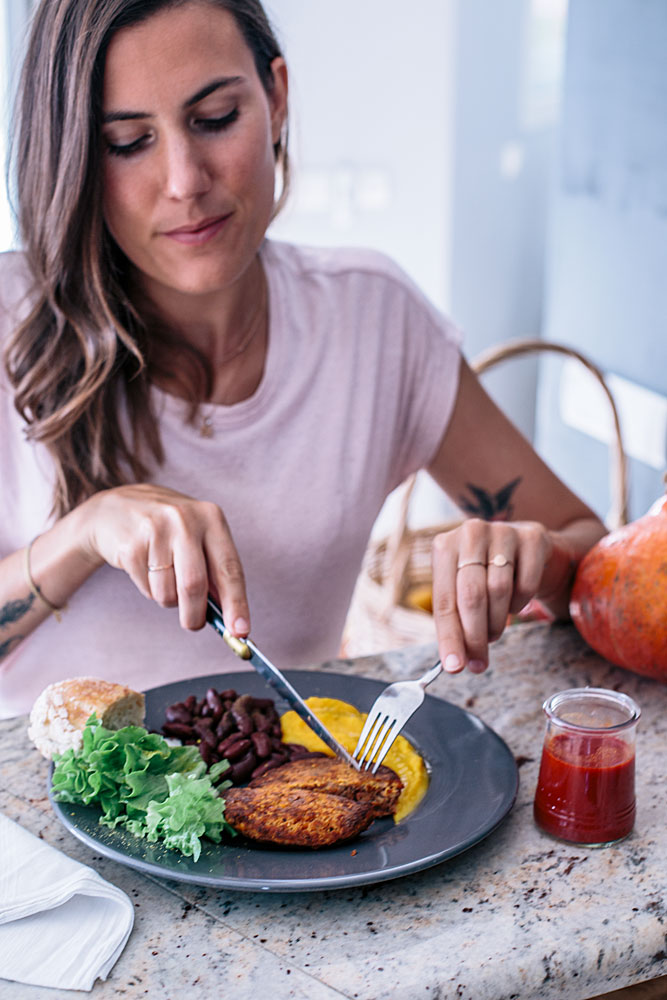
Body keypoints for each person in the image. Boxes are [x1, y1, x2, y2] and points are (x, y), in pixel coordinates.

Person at [0, 0, 606, 720]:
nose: (184, 180)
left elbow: (593, 555)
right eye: (128, 142)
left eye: (216, 118)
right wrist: (80, 535)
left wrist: (529, 558)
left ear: (276, 97)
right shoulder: (11, 318)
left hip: (286, 800)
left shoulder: (373, 321)